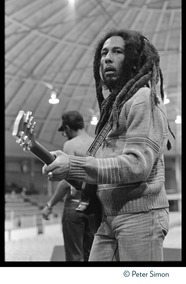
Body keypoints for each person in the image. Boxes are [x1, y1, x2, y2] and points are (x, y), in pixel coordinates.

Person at [42, 29, 175, 261]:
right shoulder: (112, 109)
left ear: (133, 58)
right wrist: (64, 165)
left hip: (140, 216)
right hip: (108, 218)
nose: (107, 58)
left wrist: (74, 164)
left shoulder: (143, 98)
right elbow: (104, 165)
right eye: (104, 53)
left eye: (117, 51)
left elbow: (137, 165)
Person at [42, 111, 94, 261]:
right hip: (94, 206)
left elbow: (67, 181)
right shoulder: (96, 143)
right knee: (91, 255)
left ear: (67, 128)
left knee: (74, 256)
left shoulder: (70, 144)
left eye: (64, 132)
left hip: (75, 205)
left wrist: (50, 204)